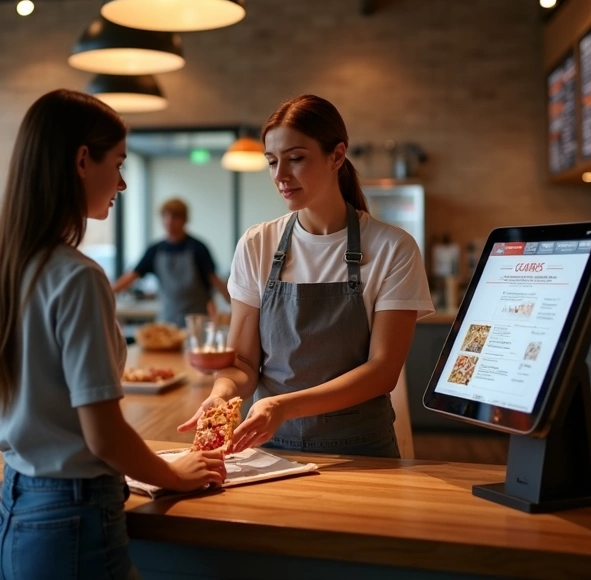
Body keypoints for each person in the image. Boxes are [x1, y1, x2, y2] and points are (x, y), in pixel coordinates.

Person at [0, 89, 226, 580]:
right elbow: (103, 435)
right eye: (119, 163)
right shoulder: (78, 278)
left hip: (11, 515)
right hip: (72, 521)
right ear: (83, 160)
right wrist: (173, 474)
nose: (122, 182)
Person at [179, 94, 434, 458]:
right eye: (272, 162)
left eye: (295, 159)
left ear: (337, 156)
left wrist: (282, 406)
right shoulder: (257, 244)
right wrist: (221, 394)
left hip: (361, 451)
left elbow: (383, 371)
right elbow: (244, 365)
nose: (280, 176)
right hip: (268, 448)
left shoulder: (393, 247)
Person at [111, 198, 231, 327]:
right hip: (167, 320)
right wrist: (107, 292)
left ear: (184, 220)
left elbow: (214, 280)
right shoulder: (155, 250)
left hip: (197, 321)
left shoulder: (198, 248)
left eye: (175, 217)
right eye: (165, 217)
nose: (169, 221)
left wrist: (233, 304)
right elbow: (132, 276)